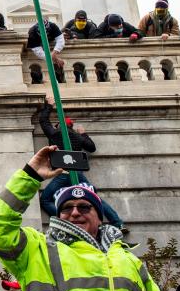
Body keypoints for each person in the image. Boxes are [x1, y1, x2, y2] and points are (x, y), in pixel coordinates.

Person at [0, 146, 173, 291]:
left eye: (84, 207)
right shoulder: (38, 250)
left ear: (99, 217)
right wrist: (30, 175)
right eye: (66, 208)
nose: (74, 213)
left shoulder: (129, 260)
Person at [35, 96, 125, 229]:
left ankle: (67, 222)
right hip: (78, 171)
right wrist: (83, 134)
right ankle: (117, 223)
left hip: (63, 172)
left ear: (60, 125)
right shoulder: (78, 137)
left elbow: (43, 121)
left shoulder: (55, 134)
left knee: (45, 199)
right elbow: (91, 147)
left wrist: (48, 106)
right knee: (92, 198)